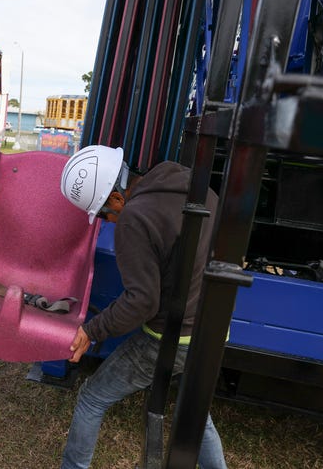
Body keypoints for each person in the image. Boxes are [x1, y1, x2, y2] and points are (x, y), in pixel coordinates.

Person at [59, 145, 227, 468]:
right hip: (214, 327)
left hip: (172, 337)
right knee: (194, 414)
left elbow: (143, 302)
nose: (109, 220)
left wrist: (92, 330)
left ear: (118, 198)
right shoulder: (182, 178)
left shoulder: (134, 218)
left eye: (106, 214)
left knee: (92, 398)